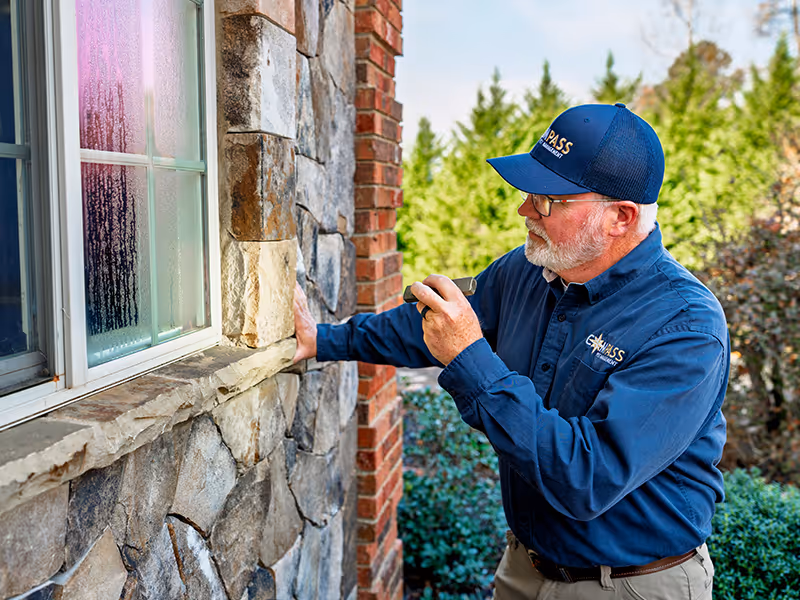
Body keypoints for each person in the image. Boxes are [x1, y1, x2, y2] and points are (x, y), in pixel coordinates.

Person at [293, 102, 727, 599]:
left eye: (547, 200)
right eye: (528, 193)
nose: (524, 210)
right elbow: (429, 326)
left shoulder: (686, 326)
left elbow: (586, 478)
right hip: (523, 567)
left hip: (633, 585)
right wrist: (323, 339)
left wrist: (470, 358)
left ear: (620, 218)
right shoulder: (525, 270)